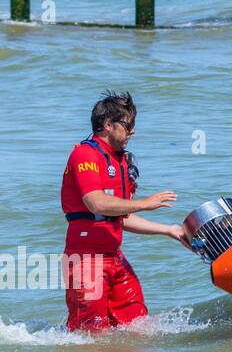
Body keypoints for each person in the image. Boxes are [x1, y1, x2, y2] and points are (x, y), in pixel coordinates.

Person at [60, 92, 184, 331]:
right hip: (86, 259)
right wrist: (144, 202)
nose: (133, 132)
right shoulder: (84, 154)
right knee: (90, 334)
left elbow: (121, 216)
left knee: (138, 325)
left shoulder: (121, 161)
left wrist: (169, 230)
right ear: (108, 125)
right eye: (128, 125)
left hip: (115, 256)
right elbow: (95, 203)